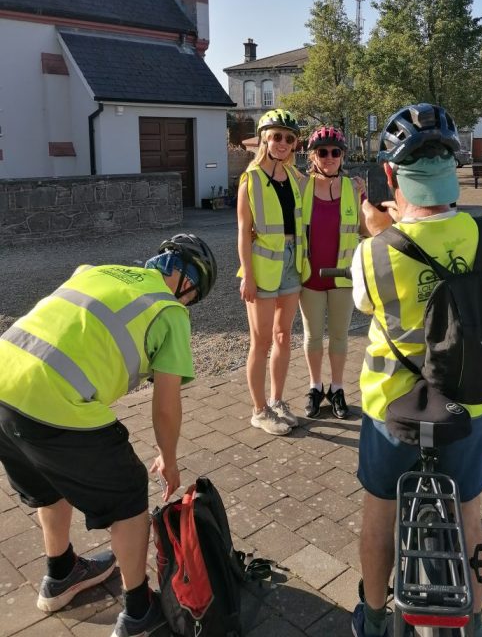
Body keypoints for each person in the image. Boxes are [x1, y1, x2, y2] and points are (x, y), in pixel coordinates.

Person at [0, 233, 217, 637]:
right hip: (52, 399)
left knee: (50, 479)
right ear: (188, 280)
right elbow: (166, 405)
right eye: (194, 296)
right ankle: (138, 610)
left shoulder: (96, 270)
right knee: (129, 490)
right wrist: (168, 459)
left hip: (4, 381)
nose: (189, 304)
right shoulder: (170, 311)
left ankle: (61, 572)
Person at [349, 103, 482, 637]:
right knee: (470, 513)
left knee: (380, 513)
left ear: (391, 175)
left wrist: (382, 230)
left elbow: (367, 307)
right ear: (453, 171)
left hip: (390, 410)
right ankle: (477, 620)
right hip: (469, 406)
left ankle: (373, 619)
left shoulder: (373, 253)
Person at [237, 108, 304, 436]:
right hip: (263, 267)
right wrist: (247, 275)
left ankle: (277, 401)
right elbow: (242, 231)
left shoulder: (294, 177)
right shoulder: (250, 179)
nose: (282, 143)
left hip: (291, 264)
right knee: (260, 341)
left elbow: (325, 185)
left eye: (289, 138)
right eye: (276, 136)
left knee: (282, 336)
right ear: (264, 137)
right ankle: (259, 410)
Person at [299, 125, 366, 419]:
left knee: (339, 336)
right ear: (313, 156)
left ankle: (337, 388)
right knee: (313, 337)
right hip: (310, 275)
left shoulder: (354, 188)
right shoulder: (301, 187)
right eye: (322, 152)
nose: (329, 157)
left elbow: (366, 229)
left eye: (334, 152)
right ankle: (315, 386)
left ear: (342, 156)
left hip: (342, 275)